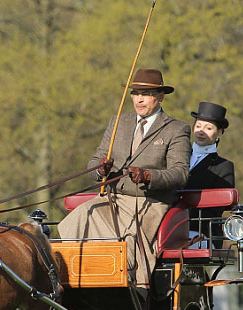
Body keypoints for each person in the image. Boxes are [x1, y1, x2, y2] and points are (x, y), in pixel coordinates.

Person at [57, 68, 190, 288]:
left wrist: (148, 176)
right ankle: (78, 281)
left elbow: (180, 173)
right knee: (79, 216)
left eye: (145, 94)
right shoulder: (118, 122)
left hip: (149, 203)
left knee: (126, 237)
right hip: (113, 200)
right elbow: (93, 163)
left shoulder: (176, 129)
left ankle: (132, 285)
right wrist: (100, 169)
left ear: (160, 96)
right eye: (135, 93)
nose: (139, 99)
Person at [184, 101, 235, 246]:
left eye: (208, 128)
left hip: (202, 232)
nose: (201, 131)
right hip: (168, 227)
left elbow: (216, 208)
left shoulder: (224, 166)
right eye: (198, 126)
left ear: (219, 132)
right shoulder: (178, 157)